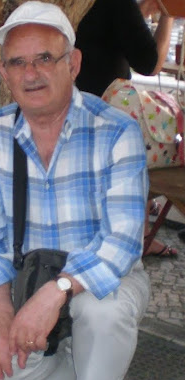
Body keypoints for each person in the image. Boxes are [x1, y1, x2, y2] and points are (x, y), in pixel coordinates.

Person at [0, 2, 150, 380]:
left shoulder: (117, 131)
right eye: (18, 62)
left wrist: (57, 291)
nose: (31, 74)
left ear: (74, 63)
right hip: (28, 276)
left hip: (103, 275)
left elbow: (122, 240)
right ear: (4, 73)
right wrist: (1, 316)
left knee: (100, 312)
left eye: (45, 58)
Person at [76, 0, 177, 258]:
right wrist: (169, 14)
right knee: (140, 144)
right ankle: (139, 237)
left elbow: (113, 27)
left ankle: (140, 230)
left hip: (77, 101)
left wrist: (141, 11)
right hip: (104, 106)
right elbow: (150, 63)